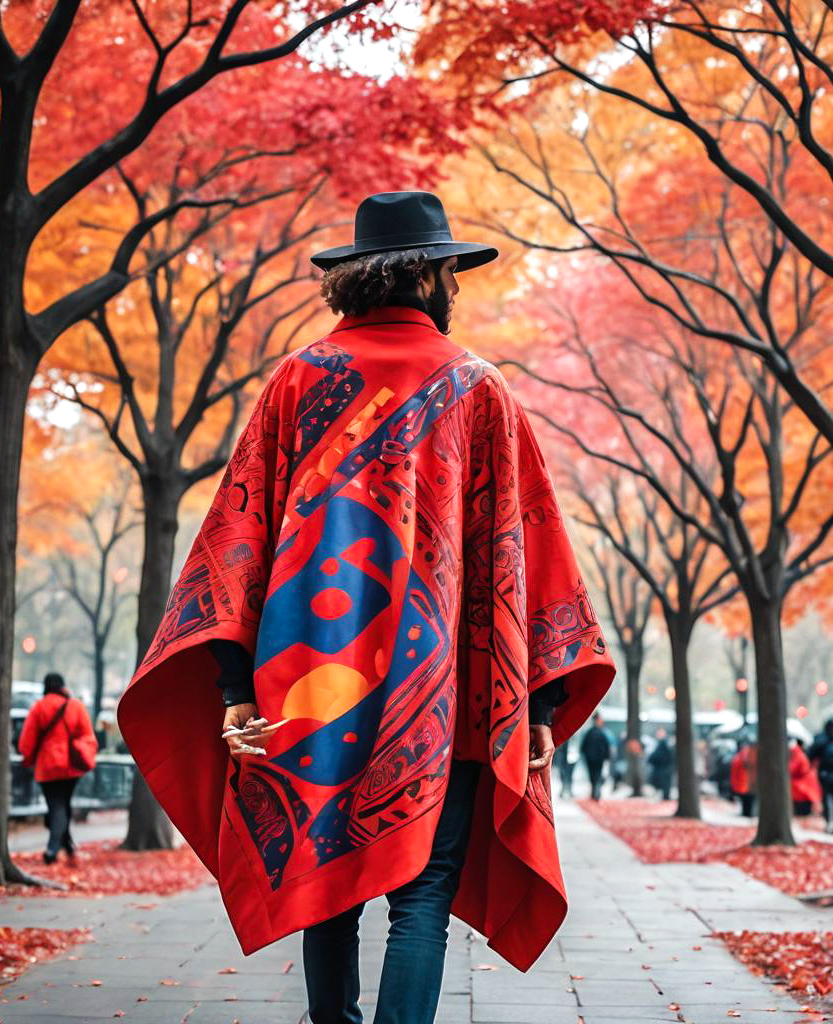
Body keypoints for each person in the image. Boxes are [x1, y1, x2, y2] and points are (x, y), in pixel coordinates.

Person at [115, 191, 616, 1024]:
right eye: (448, 271)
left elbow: (238, 544)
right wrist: (535, 704)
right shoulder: (478, 391)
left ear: (356, 280)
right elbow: (521, 556)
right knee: (421, 901)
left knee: (329, 891)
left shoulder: (296, 381)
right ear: (432, 277)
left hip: (311, 696)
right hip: (444, 703)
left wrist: (237, 688)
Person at [18, 672, 98, 864]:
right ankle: (65, 845)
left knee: (56, 806)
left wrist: (27, 759)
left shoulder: (39, 708)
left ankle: (52, 849)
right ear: (63, 686)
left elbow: (26, 742)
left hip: (47, 767)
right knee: (63, 805)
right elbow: (88, 735)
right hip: (71, 767)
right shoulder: (76, 706)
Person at [809, 720, 833, 834]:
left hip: (825, 775)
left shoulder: (820, 742)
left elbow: (810, 754)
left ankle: (828, 823)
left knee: (827, 800)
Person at [580, 713, 612, 801]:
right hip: (597, 759)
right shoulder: (601, 733)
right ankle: (596, 792)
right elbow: (606, 747)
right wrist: (606, 757)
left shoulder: (590, 732)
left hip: (592, 759)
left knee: (593, 776)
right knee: (597, 776)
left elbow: (583, 747)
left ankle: (595, 792)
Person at [788, 739, 820, 817]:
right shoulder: (800, 755)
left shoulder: (798, 755)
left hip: (800, 788)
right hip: (803, 788)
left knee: (801, 813)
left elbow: (791, 769)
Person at [730, 738, 757, 817]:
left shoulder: (743, 753)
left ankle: (747, 813)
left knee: (747, 799)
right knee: (748, 799)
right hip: (746, 781)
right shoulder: (747, 753)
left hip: (745, 781)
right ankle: (748, 813)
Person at [648, 727, 674, 800]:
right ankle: (665, 796)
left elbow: (666, 756)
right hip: (661, 767)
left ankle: (666, 796)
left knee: (665, 783)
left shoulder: (665, 743)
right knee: (661, 783)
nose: (658, 735)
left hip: (664, 767)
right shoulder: (660, 743)